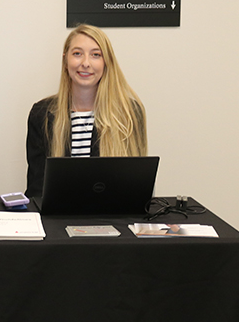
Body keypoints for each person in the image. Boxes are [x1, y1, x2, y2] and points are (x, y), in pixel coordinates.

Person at [25, 24, 147, 197]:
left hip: (113, 216)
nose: (85, 63)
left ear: (106, 63)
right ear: (65, 60)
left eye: (96, 55)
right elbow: (37, 188)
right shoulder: (41, 114)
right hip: (57, 218)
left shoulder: (129, 113)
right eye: (77, 54)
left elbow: (137, 185)